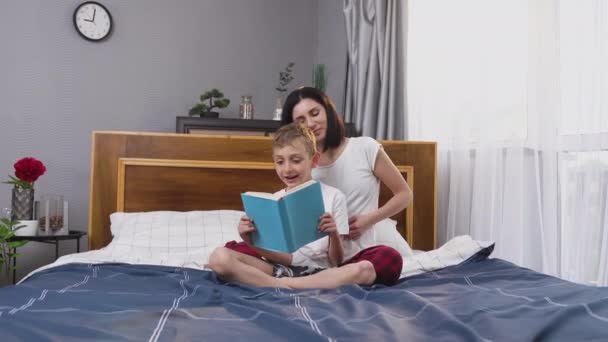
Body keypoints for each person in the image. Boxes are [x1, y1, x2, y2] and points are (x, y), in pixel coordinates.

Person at [209, 123, 396, 289]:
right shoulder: (275, 200)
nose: (287, 169)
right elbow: (286, 258)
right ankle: (287, 284)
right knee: (219, 257)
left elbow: (336, 261)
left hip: (325, 273)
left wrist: (334, 234)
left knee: (375, 263)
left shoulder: (333, 196)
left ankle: (279, 285)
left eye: (296, 160)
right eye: (280, 162)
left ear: (314, 160)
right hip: (281, 269)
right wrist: (249, 240)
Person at [280, 86, 414, 285]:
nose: (310, 124)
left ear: (328, 110)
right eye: (300, 121)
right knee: (235, 249)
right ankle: (313, 279)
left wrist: (369, 220)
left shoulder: (365, 148)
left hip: (360, 257)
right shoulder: (300, 164)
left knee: (390, 258)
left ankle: (297, 282)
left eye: (315, 113)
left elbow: (405, 194)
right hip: (316, 259)